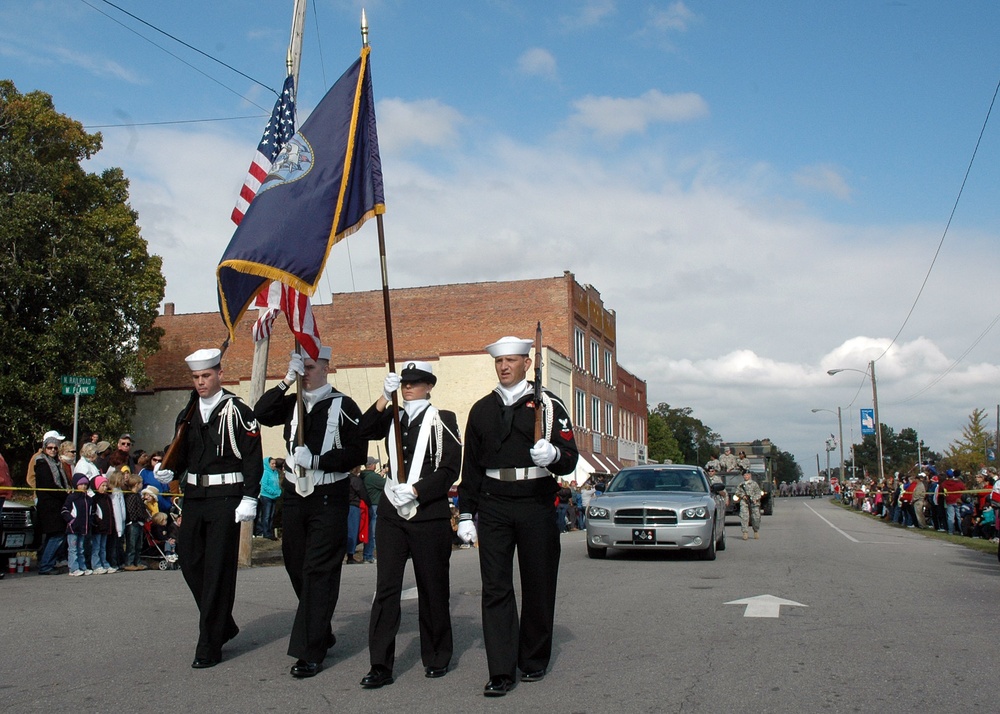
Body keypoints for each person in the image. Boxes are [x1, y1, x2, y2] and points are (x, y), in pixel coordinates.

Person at [457, 335, 579, 697]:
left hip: (535, 500)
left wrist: (553, 455)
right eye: (499, 362)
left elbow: (571, 456)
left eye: (512, 360)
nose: (505, 366)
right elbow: (473, 467)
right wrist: (466, 512)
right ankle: (500, 670)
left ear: (527, 363)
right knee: (495, 587)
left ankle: (534, 659)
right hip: (494, 501)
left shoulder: (550, 404)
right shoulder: (481, 409)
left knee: (538, 582)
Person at [254, 346, 366, 679]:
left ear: (328, 368)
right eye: (300, 366)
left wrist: (318, 460)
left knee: (319, 570)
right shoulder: (293, 404)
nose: (305, 372)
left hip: (328, 495)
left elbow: (356, 452)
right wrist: (285, 380)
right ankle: (319, 626)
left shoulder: (343, 405)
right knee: (295, 564)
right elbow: (260, 413)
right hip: (294, 496)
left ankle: (309, 651)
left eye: (311, 367)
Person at [154, 347, 263, 669]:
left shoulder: (238, 410)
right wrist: (170, 470)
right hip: (195, 497)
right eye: (196, 377)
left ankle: (209, 643)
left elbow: (253, 457)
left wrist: (250, 497)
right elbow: (184, 453)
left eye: (206, 376)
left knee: (217, 568)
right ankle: (223, 624)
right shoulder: (187, 412)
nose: (200, 382)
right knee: (189, 561)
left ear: (219, 374)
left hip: (227, 497)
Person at [357, 361, 462, 689]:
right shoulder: (391, 416)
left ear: (429, 386)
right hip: (391, 512)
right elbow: (361, 430)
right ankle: (380, 664)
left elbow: (449, 469)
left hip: (427, 512)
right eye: (404, 382)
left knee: (433, 587)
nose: (408, 387)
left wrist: (417, 490)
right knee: (386, 589)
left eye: (416, 382)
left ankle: (436, 655)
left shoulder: (443, 420)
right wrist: (382, 397)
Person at [35, 434, 71, 575]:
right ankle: (45, 565)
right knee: (57, 535)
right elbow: (48, 484)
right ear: (44, 448)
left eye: (55, 448)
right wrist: (64, 494)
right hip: (49, 504)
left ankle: (47, 562)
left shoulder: (56, 463)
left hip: (57, 503)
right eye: (50, 448)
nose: (53, 450)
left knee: (54, 535)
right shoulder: (42, 463)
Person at [62, 473, 93, 576]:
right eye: (81, 484)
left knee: (81, 548)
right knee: (73, 549)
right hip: (73, 528)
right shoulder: (72, 498)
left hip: (83, 528)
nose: (83, 486)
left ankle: (82, 566)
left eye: (85, 484)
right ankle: (73, 568)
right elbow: (65, 511)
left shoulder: (88, 499)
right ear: (76, 485)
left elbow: (91, 513)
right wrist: (71, 521)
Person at [360, 457, 385, 564]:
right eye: (374, 463)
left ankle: (368, 555)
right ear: (371, 465)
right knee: (373, 532)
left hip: (371, 506)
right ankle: (369, 555)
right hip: (375, 506)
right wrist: (385, 473)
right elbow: (385, 484)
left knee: (371, 532)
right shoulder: (372, 477)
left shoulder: (366, 476)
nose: (376, 465)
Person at [122, 471, 148, 572]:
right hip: (133, 523)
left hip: (140, 522)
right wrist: (136, 519)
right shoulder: (131, 496)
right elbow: (132, 510)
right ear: (136, 484)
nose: (142, 485)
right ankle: (129, 562)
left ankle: (137, 561)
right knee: (131, 544)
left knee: (138, 545)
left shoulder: (137, 495)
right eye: (141, 483)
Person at [90, 475, 116, 574]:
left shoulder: (107, 498)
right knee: (96, 547)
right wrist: (96, 522)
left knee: (103, 547)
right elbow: (93, 513)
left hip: (106, 526)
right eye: (102, 486)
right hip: (98, 527)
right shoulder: (94, 499)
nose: (105, 488)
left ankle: (104, 563)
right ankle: (96, 565)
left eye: (106, 486)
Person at [346, 465, 371, 564]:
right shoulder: (355, 480)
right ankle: (350, 555)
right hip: (354, 506)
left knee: (348, 531)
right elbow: (363, 493)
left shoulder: (344, 479)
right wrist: (368, 503)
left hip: (345, 506)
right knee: (354, 530)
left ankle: (349, 553)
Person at [254, 457, 281, 540]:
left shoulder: (276, 473)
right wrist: (273, 491)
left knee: (271, 515)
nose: (274, 465)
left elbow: (277, 484)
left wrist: (278, 492)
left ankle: (269, 531)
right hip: (266, 496)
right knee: (266, 515)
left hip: (274, 497)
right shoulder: (265, 473)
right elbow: (264, 485)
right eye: (272, 464)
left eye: (275, 464)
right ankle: (265, 532)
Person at [736, 469, 762, 540]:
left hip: (754, 503)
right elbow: (737, 492)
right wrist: (743, 496)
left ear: (750, 475)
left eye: (747, 475)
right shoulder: (741, 485)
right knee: (744, 517)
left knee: (756, 517)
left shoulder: (754, 484)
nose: (746, 476)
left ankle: (756, 530)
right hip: (744, 502)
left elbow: (758, 493)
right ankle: (745, 532)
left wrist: (755, 499)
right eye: (744, 475)